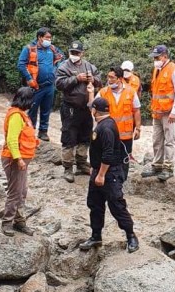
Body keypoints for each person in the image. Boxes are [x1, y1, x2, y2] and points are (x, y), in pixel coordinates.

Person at [79, 97, 139, 253]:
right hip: (98, 170)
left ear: (95, 110)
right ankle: (96, 236)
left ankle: (131, 235)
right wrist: (94, 168)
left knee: (117, 205)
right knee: (95, 204)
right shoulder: (103, 124)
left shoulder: (106, 128)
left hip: (109, 173)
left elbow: (108, 154)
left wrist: (101, 175)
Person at [54, 41, 102, 183]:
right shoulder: (63, 67)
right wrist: (76, 79)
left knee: (85, 137)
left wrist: (93, 79)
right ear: (69, 53)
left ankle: (81, 163)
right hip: (70, 108)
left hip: (86, 108)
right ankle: (68, 168)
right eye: (72, 53)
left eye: (77, 53)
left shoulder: (89, 66)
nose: (74, 55)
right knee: (69, 137)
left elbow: (100, 79)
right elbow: (59, 84)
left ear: (82, 53)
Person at [0, 87, 39, 236]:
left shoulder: (22, 115)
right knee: (15, 193)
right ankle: (7, 223)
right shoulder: (16, 116)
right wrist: (19, 159)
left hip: (21, 159)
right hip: (14, 160)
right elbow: (11, 139)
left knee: (22, 191)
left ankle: (20, 222)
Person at [142, 45, 175, 182]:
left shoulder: (174, 70)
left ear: (165, 56)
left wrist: (174, 111)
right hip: (157, 112)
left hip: (169, 112)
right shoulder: (157, 70)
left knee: (169, 140)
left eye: (157, 57)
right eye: (154, 57)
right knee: (157, 140)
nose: (155, 59)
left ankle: (168, 167)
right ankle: (157, 165)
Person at [17, 28, 65, 141]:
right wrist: (28, 78)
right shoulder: (29, 49)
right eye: (47, 38)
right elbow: (21, 64)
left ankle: (43, 132)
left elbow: (62, 58)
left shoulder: (52, 49)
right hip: (35, 86)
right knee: (32, 110)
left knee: (46, 109)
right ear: (40, 37)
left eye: (50, 38)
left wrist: (57, 68)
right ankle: (30, 132)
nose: (49, 40)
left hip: (49, 86)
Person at [97, 67, 141, 179]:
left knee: (124, 160)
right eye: (108, 77)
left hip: (125, 134)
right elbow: (93, 107)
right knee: (107, 157)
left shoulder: (131, 92)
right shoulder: (103, 92)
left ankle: (121, 182)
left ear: (120, 79)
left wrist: (138, 128)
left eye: (112, 77)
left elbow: (136, 110)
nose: (109, 79)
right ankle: (107, 180)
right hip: (108, 134)